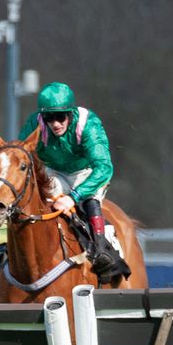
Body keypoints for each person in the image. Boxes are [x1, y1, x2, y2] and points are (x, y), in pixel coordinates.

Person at [18, 82, 116, 272]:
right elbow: (19, 156)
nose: (55, 123)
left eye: (60, 117)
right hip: (53, 171)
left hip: (86, 173)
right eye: (49, 118)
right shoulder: (34, 123)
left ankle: (101, 248)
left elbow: (103, 168)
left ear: (71, 113)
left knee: (90, 200)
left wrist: (73, 197)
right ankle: (14, 246)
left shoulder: (88, 124)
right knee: (30, 196)